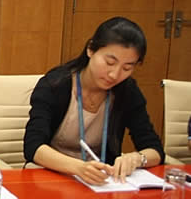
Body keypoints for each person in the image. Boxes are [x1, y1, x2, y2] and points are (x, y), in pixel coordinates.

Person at [24, 17, 164, 185]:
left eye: (127, 68)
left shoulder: (127, 91)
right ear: (91, 49)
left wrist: (137, 158)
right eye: (109, 62)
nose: (115, 75)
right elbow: (34, 147)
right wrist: (79, 168)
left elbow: (155, 150)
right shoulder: (55, 85)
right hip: (50, 177)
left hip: (100, 182)